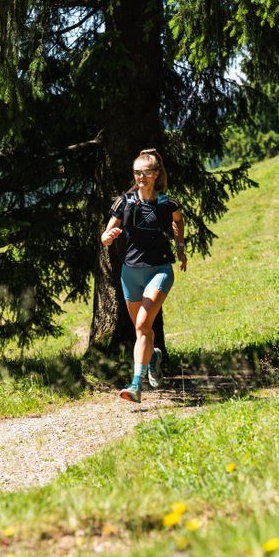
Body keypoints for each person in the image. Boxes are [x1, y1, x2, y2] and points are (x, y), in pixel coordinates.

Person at [100, 149, 187, 403]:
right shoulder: (124, 202)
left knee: (142, 325)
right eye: (137, 172)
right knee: (143, 331)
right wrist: (108, 237)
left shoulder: (167, 203)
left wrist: (180, 249)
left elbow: (179, 222)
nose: (141, 177)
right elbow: (106, 236)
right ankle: (154, 358)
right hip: (130, 273)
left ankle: (136, 385)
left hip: (160, 270)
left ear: (156, 174)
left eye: (146, 172)